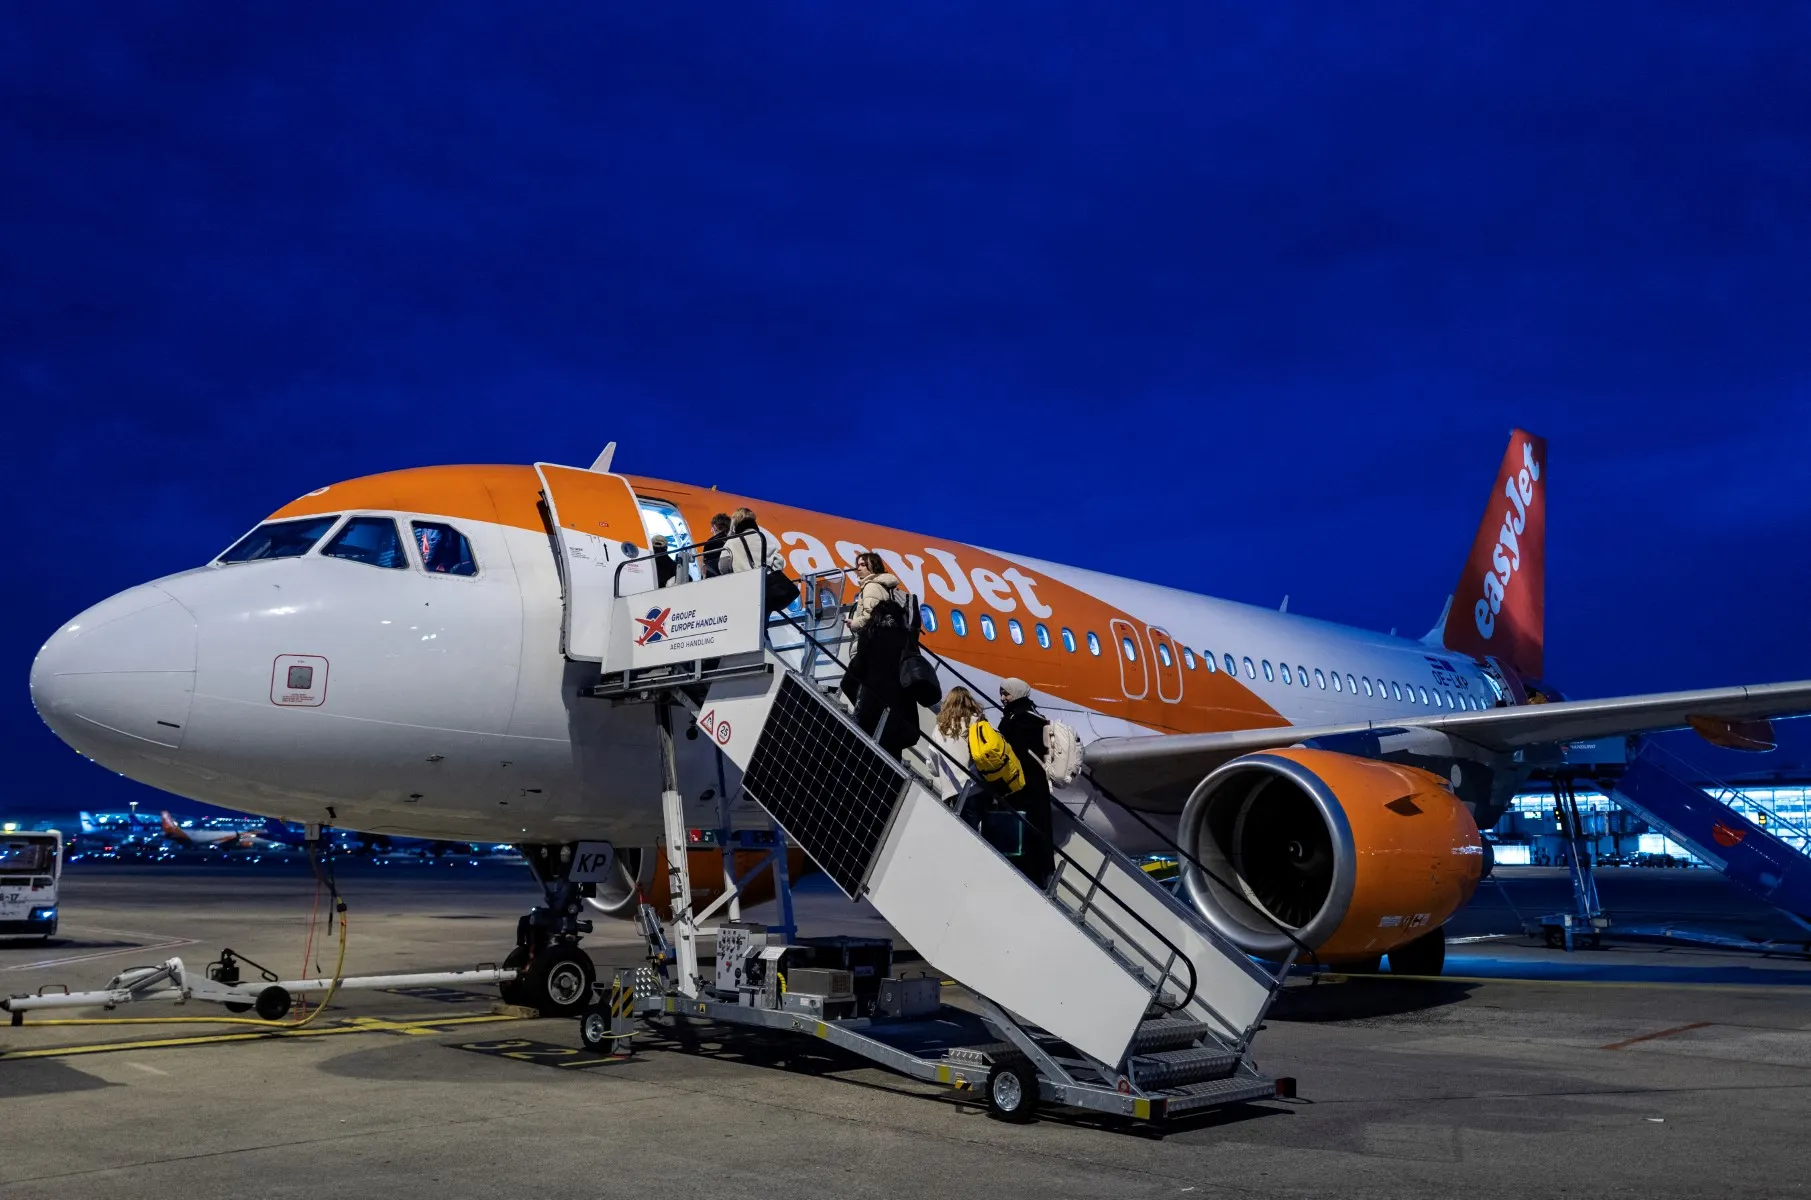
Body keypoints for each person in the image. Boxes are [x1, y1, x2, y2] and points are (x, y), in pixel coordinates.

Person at [845, 551, 919, 757]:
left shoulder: (871, 587)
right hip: (884, 654)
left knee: (856, 690)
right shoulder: (886, 586)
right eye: (857, 564)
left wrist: (853, 622)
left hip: (870, 650)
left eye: (862, 564)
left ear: (873, 567)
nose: (857, 568)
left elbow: (869, 617)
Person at [996, 677, 1055, 888]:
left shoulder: (1017, 720)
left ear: (1017, 693)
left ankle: (1027, 880)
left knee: (1024, 839)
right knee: (1036, 836)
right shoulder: (1033, 717)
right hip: (1034, 786)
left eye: (1007, 694)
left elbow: (1013, 753)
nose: (1003, 698)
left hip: (1022, 787)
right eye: (1002, 693)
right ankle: (1040, 878)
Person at [928, 686, 983, 803]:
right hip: (978, 785)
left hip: (954, 789)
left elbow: (932, 760)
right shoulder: (978, 722)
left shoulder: (940, 728)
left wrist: (939, 773)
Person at [700, 513, 731, 578]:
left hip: (713, 578)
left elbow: (705, 567)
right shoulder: (733, 539)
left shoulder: (710, 543)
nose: (711, 531)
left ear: (715, 527)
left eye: (712, 528)